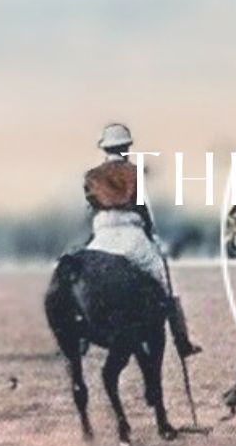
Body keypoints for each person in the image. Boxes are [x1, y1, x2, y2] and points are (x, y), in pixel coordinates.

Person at [84, 122, 201, 359]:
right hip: (131, 234)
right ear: (126, 147)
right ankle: (182, 341)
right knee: (164, 281)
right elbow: (141, 208)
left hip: (102, 234)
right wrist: (150, 232)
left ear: (105, 148)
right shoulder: (134, 172)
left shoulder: (92, 176)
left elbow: (91, 209)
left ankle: (81, 339)